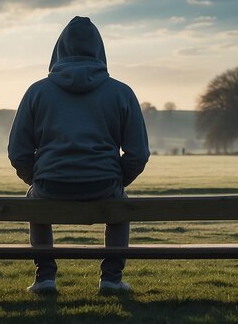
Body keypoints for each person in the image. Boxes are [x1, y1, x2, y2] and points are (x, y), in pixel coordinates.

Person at [8, 16, 150, 295]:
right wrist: (118, 178)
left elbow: (18, 151)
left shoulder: (37, 92)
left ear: (59, 49)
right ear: (99, 50)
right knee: (121, 205)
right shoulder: (121, 92)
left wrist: (36, 177)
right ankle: (111, 279)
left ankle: (45, 278)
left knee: (32, 200)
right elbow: (138, 153)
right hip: (105, 185)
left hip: (50, 184)